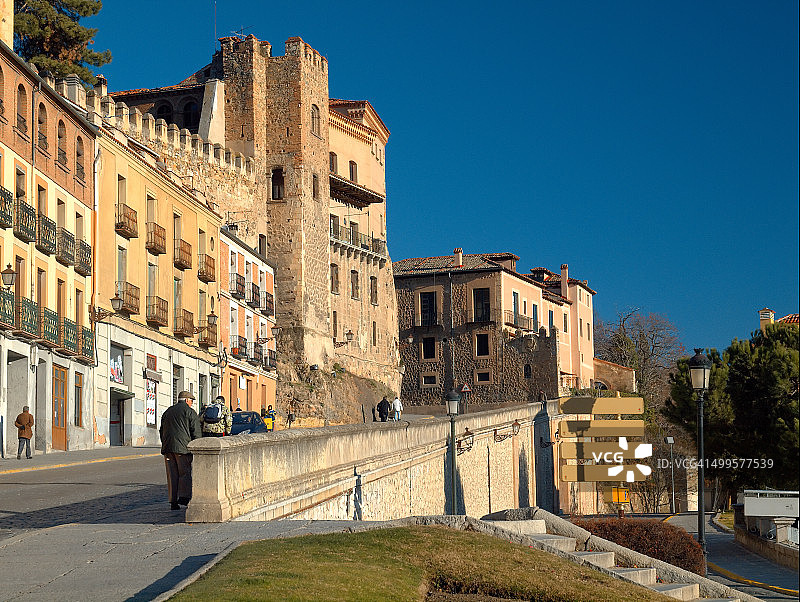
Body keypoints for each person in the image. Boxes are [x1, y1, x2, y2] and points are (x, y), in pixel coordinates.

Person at [159, 390, 202, 510]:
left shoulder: (168, 411)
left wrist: (165, 443)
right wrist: (198, 447)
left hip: (168, 448)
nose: (192, 403)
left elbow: (161, 430)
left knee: (172, 475)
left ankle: (173, 501)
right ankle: (184, 497)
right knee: (184, 473)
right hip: (183, 449)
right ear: (187, 400)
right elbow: (196, 431)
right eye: (191, 401)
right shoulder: (189, 412)